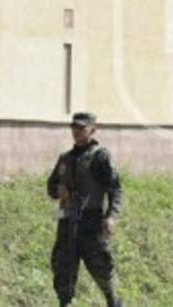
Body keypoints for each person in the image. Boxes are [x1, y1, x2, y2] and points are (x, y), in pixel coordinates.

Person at [46, 111, 123, 307]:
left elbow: (114, 188)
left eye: (82, 128)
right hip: (67, 222)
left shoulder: (100, 157)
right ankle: (66, 303)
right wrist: (58, 190)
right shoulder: (65, 158)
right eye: (74, 128)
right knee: (63, 269)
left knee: (102, 270)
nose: (77, 132)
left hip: (91, 222)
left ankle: (114, 302)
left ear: (93, 130)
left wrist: (111, 216)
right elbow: (50, 187)